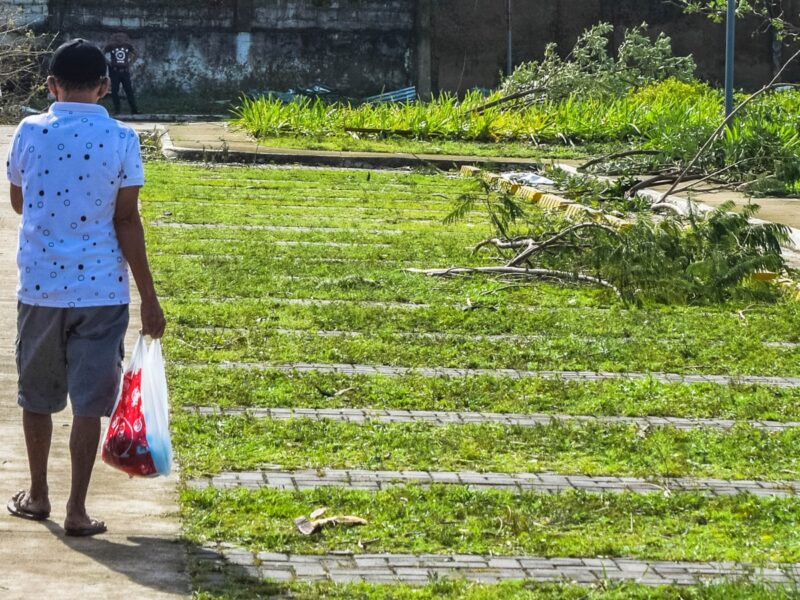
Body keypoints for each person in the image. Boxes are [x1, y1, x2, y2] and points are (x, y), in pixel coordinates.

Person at [4, 39, 166, 537]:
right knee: (89, 403)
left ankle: (37, 495)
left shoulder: (29, 131)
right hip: (102, 291)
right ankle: (77, 508)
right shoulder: (122, 138)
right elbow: (127, 220)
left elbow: (17, 201)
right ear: (104, 85)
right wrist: (150, 298)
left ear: (51, 85)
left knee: (37, 395)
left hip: (41, 289)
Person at [103, 32, 139, 115]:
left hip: (125, 72)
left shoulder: (128, 46)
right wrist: (108, 63)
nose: (120, 38)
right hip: (114, 71)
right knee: (115, 91)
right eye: (118, 36)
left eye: (122, 36)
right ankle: (117, 110)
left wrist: (130, 63)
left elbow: (136, 54)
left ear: (125, 38)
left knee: (129, 91)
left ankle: (134, 110)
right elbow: (102, 53)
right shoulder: (111, 46)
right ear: (115, 38)